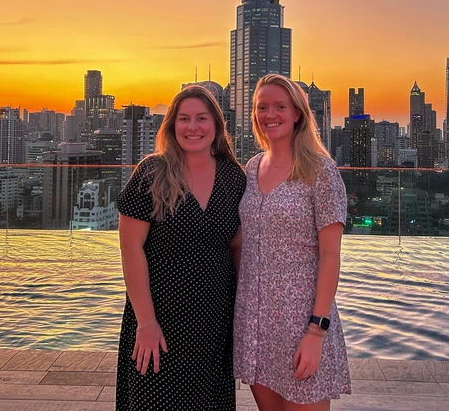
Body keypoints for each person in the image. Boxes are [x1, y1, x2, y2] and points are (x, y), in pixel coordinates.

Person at [115, 85, 246, 411]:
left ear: (216, 125)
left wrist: (245, 316)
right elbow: (131, 249)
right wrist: (146, 322)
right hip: (159, 321)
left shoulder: (233, 176)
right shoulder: (151, 172)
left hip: (215, 323)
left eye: (202, 118)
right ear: (172, 126)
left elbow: (238, 247)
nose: (193, 127)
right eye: (184, 119)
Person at [234, 74, 351, 410]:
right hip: (255, 324)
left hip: (302, 323)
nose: (270, 114)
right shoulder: (253, 167)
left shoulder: (321, 171)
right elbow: (243, 243)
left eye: (280, 106)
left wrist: (316, 332)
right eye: (262, 107)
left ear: (297, 113)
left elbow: (330, 256)